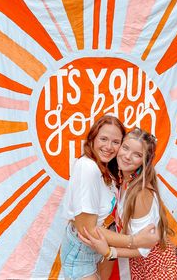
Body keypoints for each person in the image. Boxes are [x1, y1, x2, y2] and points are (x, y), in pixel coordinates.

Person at [80, 127, 177, 279]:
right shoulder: (123, 180)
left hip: (157, 270)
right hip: (137, 266)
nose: (127, 156)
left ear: (145, 161)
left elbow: (144, 249)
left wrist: (109, 252)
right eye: (125, 148)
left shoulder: (140, 194)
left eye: (137, 155)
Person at [60, 117, 160, 280]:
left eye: (115, 142)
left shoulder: (112, 174)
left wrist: (108, 251)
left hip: (99, 251)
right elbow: (87, 231)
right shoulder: (88, 167)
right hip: (83, 252)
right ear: (92, 138)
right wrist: (134, 240)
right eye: (103, 139)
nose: (108, 147)